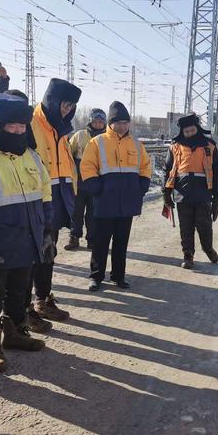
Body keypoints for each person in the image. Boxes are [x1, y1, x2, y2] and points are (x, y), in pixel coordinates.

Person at [0, 94, 53, 372]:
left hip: (27, 240)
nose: (19, 131)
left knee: (20, 291)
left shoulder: (31, 156)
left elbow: (45, 193)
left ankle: (16, 332)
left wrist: (46, 232)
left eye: (23, 126)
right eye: (12, 126)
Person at [26, 78, 82, 325]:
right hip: (34, 200)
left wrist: (74, 194)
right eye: (64, 104)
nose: (67, 109)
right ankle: (23, 308)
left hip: (56, 200)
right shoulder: (31, 122)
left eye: (71, 106)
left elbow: (66, 164)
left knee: (48, 252)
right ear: (52, 99)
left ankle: (43, 299)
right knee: (30, 256)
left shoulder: (60, 129)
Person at [81, 101, 151, 292]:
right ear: (110, 123)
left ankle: (118, 276)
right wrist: (97, 188)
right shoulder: (97, 142)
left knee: (121, 241)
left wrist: (142, 186)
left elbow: (145, 166)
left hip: (127, 201)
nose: (123, 126)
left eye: (126, 123)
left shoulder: (137, 144)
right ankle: (96, 276)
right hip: (105, 201)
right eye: (119, 122)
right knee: (100, 241)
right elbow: (87, 166)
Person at [163, 113, 218, 269]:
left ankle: (208, 249)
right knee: (186, 228)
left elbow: (217, 172)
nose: (189, 134)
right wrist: (166, 193)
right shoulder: (175, 147)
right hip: (182, 194)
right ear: (182, 132)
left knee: (204, 226)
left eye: (192, 131)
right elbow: (168, 170)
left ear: (197, 129)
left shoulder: (209, 146)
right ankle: (188, 256)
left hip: (203, 194)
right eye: (186, 132)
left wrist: (217, 198)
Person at [64, 108, 107, 251]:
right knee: (76, 211)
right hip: (79, 181)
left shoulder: (107, 138)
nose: (99, 123)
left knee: (93, 213)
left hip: (97, 180)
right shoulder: (80, 135)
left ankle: (92, 240)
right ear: (90, 121)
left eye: (101, 121)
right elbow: (68, 155)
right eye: (96, 120)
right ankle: (74, 237)